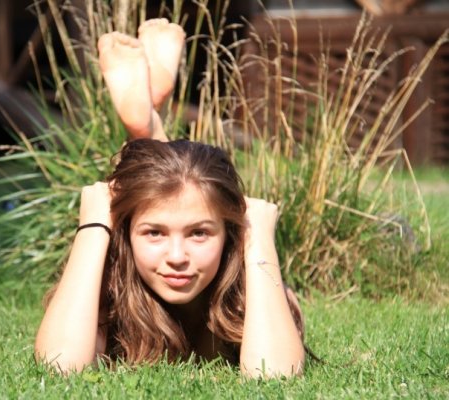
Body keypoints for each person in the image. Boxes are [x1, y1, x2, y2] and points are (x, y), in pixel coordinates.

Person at [34, 19, 305, 378]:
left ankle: (145, 126)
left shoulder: (250, 290)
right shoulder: (111, 284)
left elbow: (275, 377)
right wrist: (95, 224)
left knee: (169, 186)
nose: (177, 258)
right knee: (161, 186)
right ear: (125, 231)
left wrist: (257, 238)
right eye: (154, 233)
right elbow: (59, 366)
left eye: (199, 233)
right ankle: (146, 125)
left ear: (230, 230)